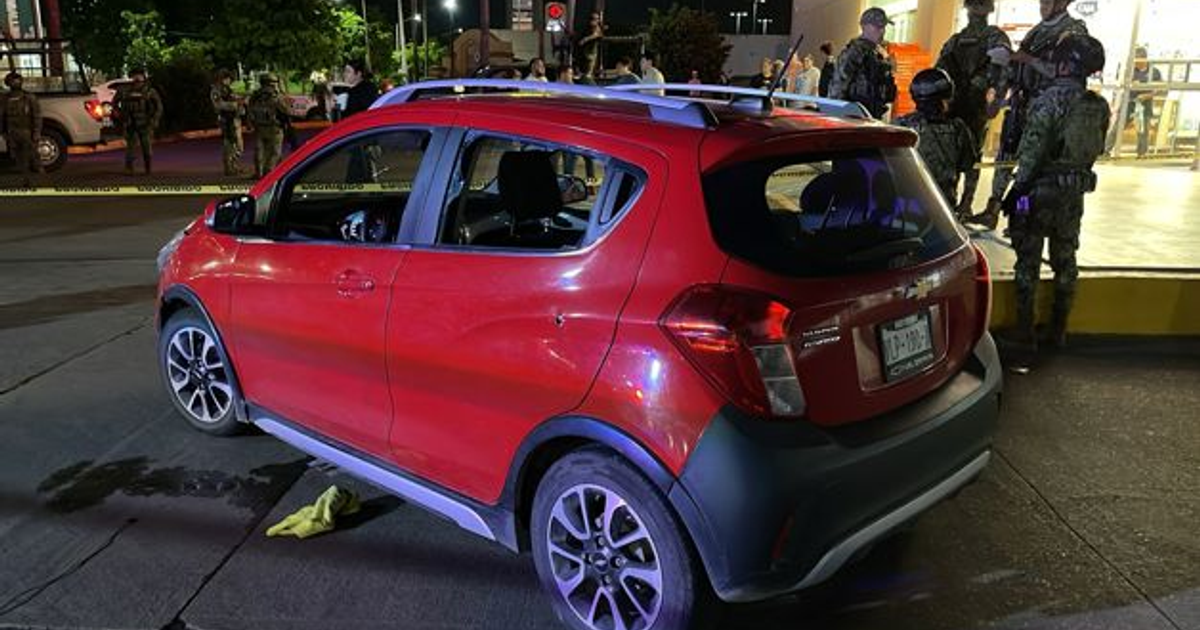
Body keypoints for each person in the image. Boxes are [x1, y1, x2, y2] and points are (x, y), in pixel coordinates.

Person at [1002, 34, 1109, 350]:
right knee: (1065, 260)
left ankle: (1024, 332)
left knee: (1028, 258)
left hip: (1035, 193)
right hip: (1072, 196)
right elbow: (1098, 147)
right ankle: (1057, 330)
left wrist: (1015, 192)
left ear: (1063, 64)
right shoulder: (1098, 106)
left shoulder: (1049, 100)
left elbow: (1032, 152)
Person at [971, 0, 1088, 230]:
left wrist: (1028, 60)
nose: (1042, 7)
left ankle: (1022, 216)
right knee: (1005, 158)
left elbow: (1066, 72)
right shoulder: (1037, 32)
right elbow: (1016, 67)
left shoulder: (1073, 31)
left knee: (1031, 168)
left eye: (1047, 2)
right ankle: (993, 209)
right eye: (1041, 2)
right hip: (1021, 106)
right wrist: (999, 95)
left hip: (1048, 111)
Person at [935, 0, 1011, 217]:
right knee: (962, 154)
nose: (976, 12)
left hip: (972, 103)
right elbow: (940, 68)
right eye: (974, 8)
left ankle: (964, 203)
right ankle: (956, 202)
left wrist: (995, 101)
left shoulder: (987, 37)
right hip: (961, 103)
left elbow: (1003, 69)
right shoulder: (960, 39)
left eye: (979, 8)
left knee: (968, 155)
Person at [895, 68, 978, 217]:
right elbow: (970, 167)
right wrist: (966, 203)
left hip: (905, 208)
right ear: (942, 100)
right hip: (943, 211)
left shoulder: (900, 126)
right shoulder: (957, 128)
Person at [829, 7, 898, 119]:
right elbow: (837, 89)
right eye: (878, 26)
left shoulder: (878, 54)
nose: (882, 31)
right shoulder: (854, 52)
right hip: (854, 119)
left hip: (872, 118)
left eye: (884, 27)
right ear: (864, 26)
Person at [113, 68, 162, 175]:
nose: (136, 78)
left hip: (145, 122)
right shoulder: (124, 90)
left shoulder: (149, 91)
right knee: (131, 146)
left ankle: (148, 168)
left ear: (143, 78)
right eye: (134, 76)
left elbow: (158, 107)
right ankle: (129, 167)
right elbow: (115, 101)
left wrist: (154, 121)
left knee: (146, 145)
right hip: (130, 122)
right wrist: (118, 112)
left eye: (139, 76)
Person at [1, 71, 43, 187]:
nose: (15, 83)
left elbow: (37, 116)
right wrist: (3, 132)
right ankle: (27, 180)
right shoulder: (5, 98)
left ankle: (39, 180)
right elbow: (2, 116)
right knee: (19, 158)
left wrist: (36, 133)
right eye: (12, 81)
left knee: (33, 156)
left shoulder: (29, 97)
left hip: (26, 131)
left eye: (17, 80)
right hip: (12, 131)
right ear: (8, 83)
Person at [248, 73, 290, 178]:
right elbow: (286, 110)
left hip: (259, 127)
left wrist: (250, 123)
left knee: (260, 150)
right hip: (274, 127)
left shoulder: (255, 96)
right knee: (275, 152)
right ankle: (269, 173)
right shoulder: (276, 95)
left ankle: (259, 172)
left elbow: (249, 110)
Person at [1128, 47, 1162, 158]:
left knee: (1143, 130)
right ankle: (1106, 151)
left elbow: (1160, 89)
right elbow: (1125, 84)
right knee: (1118, 125)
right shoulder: (1131, 70)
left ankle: (1142, 153)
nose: (1136, 64)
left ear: (1144, 59)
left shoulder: (1154, 71)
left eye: (1138, 61)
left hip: (1146, 104)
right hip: (1130, 102)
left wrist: (1147, 95)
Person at [211, 68, 245, 177]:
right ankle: (229, 167)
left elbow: (234, 98)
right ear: (223, 79)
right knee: (229, 144)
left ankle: (233, 166)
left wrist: (240, 100)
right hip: (226, 119)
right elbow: (218, 105)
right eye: (228, 78)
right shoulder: (216, 90)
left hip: (234, 118)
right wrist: (235, 105)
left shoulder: (227, 89)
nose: (230, 81)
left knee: (237, 145)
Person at [578, 12, 605, 80]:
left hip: (591, 53)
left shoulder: (598, 28)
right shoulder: (586, 28)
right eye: (592, 18)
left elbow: (597, 35)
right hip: (583, 53)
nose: (594, 20)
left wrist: (586, 39)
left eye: (596, 19)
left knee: (588, 72)